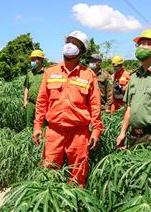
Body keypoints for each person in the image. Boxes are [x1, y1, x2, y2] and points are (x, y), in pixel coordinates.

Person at [32, 30, 104, 188]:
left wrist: (97, 130)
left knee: (78, 175)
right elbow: (42, 101)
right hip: (54, 131)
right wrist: (37, 126)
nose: (70, 45)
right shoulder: (51, 72)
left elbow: (95, 106)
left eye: (75, 43)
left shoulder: (88, 75)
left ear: (82, 51)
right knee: (49, 173)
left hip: (79, 133)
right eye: (68, 41)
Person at [24, 50, 45, 127]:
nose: (32, 62)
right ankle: (30, 139)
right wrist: (25, 100)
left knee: (42, 125)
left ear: (40, 60)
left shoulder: (46, 73)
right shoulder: (29, 73)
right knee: (29, 125)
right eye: (31, 60)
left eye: (34, 60)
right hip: (31, 103)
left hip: (42, 104)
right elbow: (26, 87)